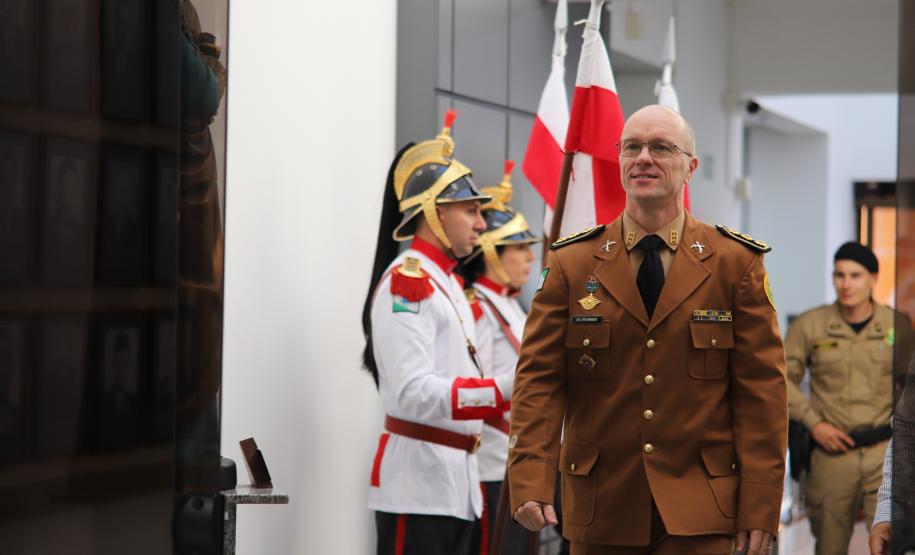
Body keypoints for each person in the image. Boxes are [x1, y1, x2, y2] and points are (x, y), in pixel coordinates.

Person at [507, 105, 787, 555]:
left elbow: (762, 395)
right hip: (602, 506)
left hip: (703, 511)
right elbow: (539, 381)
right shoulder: (571, 263)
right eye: (631, 147)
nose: (643, 158)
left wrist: (761, 502)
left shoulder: (734, 263)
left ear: (691, 167)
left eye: (661, 147)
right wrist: (528, 475)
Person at [361, 112, 514, 555]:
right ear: (435, 211)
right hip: (418, 487)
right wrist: (503, 389)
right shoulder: (408, 282)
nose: (481, 225)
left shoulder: (446, 282)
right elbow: (410, 392)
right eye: (471, 211)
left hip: (454, 486)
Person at [786, 242, 915, 555]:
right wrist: (815, 425)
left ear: (873, 278)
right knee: (829, 547)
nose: (845, 284)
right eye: (839, 275)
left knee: (890, 543)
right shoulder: (810, 324)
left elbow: (909, 389)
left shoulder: (896, 325)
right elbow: (780, 380)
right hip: (831, 456)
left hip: (881, 453)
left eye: (855, 276)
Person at [457, 161, 540, 554]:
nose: (529, 257)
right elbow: (479, 386)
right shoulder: (478, 307)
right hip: (493, 462)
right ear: (492, 252)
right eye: (520, 247)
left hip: (521, 463)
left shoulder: (512, 306)